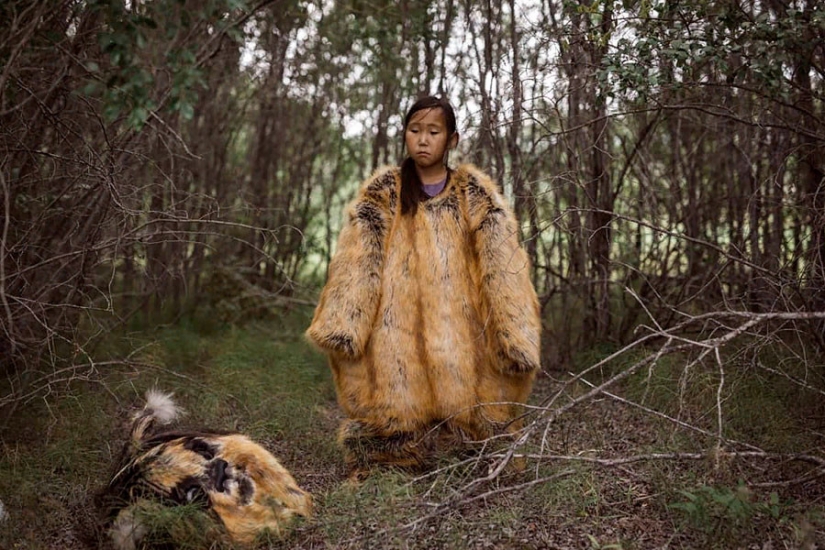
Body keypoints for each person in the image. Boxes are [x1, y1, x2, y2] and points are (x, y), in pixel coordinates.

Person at [306, 95, 541, 478]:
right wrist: (344, 321)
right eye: (415, 131)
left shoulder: (473, 193)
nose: (423, 140)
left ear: (452, 139)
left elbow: (504, 262)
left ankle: (469, 456)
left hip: (461, 322)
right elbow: (356, 256)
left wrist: (513, 331)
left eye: (433, 132)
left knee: (468, 398)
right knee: (396, 400)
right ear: (405, 135)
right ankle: (388, 459)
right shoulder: (385, 191)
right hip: (393, 322)